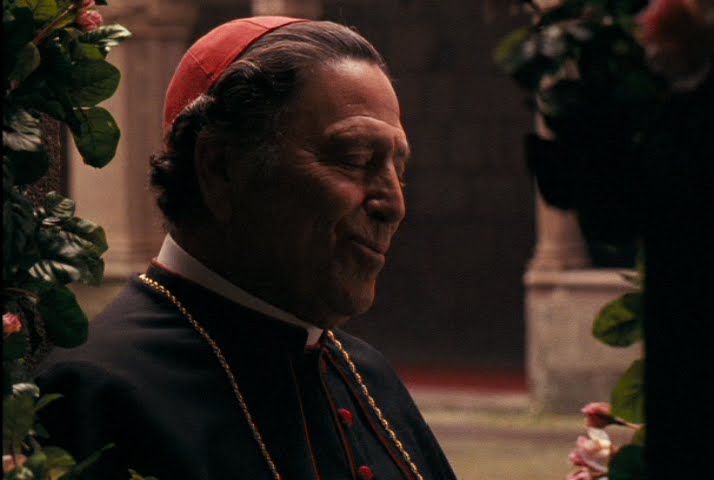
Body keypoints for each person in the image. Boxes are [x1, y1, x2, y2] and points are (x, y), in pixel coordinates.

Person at [37, 16, 457, 480]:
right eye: (356, 159)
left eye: (399, 170)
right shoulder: (94, 393)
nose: (393, 205)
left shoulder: (370, 377)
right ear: (220, 167)